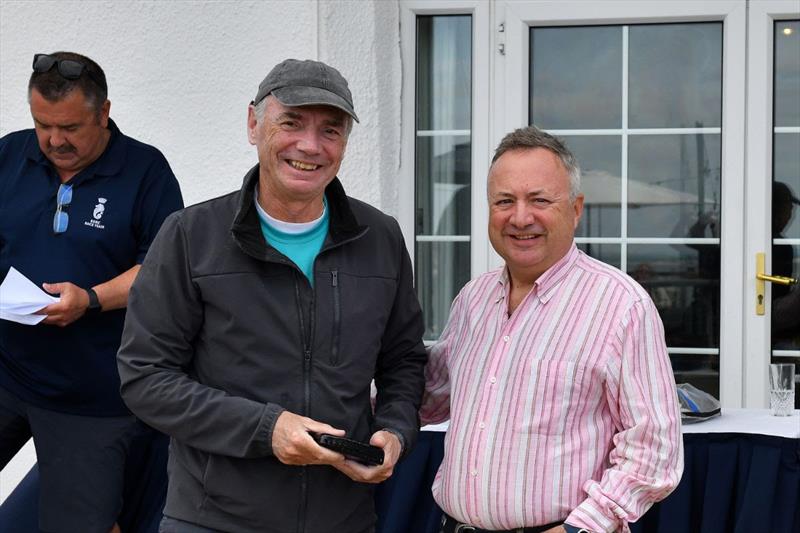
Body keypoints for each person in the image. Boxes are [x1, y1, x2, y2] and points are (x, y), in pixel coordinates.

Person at [117, 58, 427, 533]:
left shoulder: (380, 239)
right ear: (253, 124)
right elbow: (145, 378)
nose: (310, 145)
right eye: (292, 122)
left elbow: (403, 361)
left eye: (331, 130)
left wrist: (395, 431)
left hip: (344, 519)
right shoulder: (189, 237)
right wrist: (267, 429)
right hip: (213, 520)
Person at [421, 126, 683, 533]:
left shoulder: (620, 306)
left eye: (540, 200)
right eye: (504, 201)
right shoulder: (473, 299)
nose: (521, 217)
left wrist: (580, 528)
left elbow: (654, 450)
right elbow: (431, 394)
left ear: (576, 209)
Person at [0, 52, 183, 533]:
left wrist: (93, 298)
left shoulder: (146, 171)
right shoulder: (8, 155)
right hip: (6, 369)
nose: (54, 140)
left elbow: (160, 268)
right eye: (42, 124)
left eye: (70, 127)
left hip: (93, 396)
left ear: (103, 113)